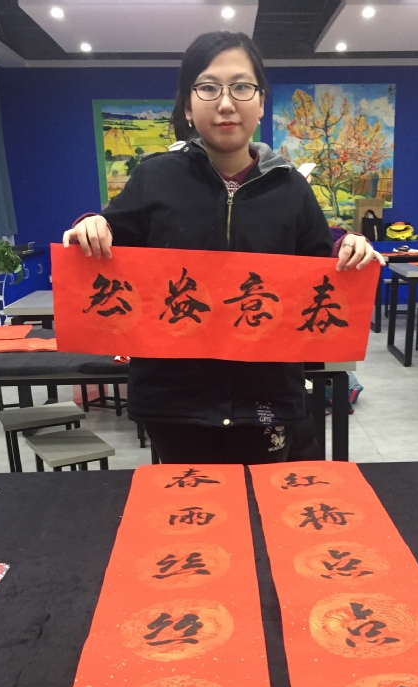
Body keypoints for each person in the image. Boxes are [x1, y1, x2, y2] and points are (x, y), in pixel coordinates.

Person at [62, 30, 379, 465]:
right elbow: (110, 237)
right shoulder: (155, 178)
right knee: (192, 502)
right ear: (188, 105)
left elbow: (318, 253)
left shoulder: (290, 187)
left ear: (261, 102)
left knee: (261, 502)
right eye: (209, 88)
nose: (226, 103)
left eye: (241, 87)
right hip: (175, 399)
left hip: (267, 394)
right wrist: (90, 225)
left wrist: (348, 244)